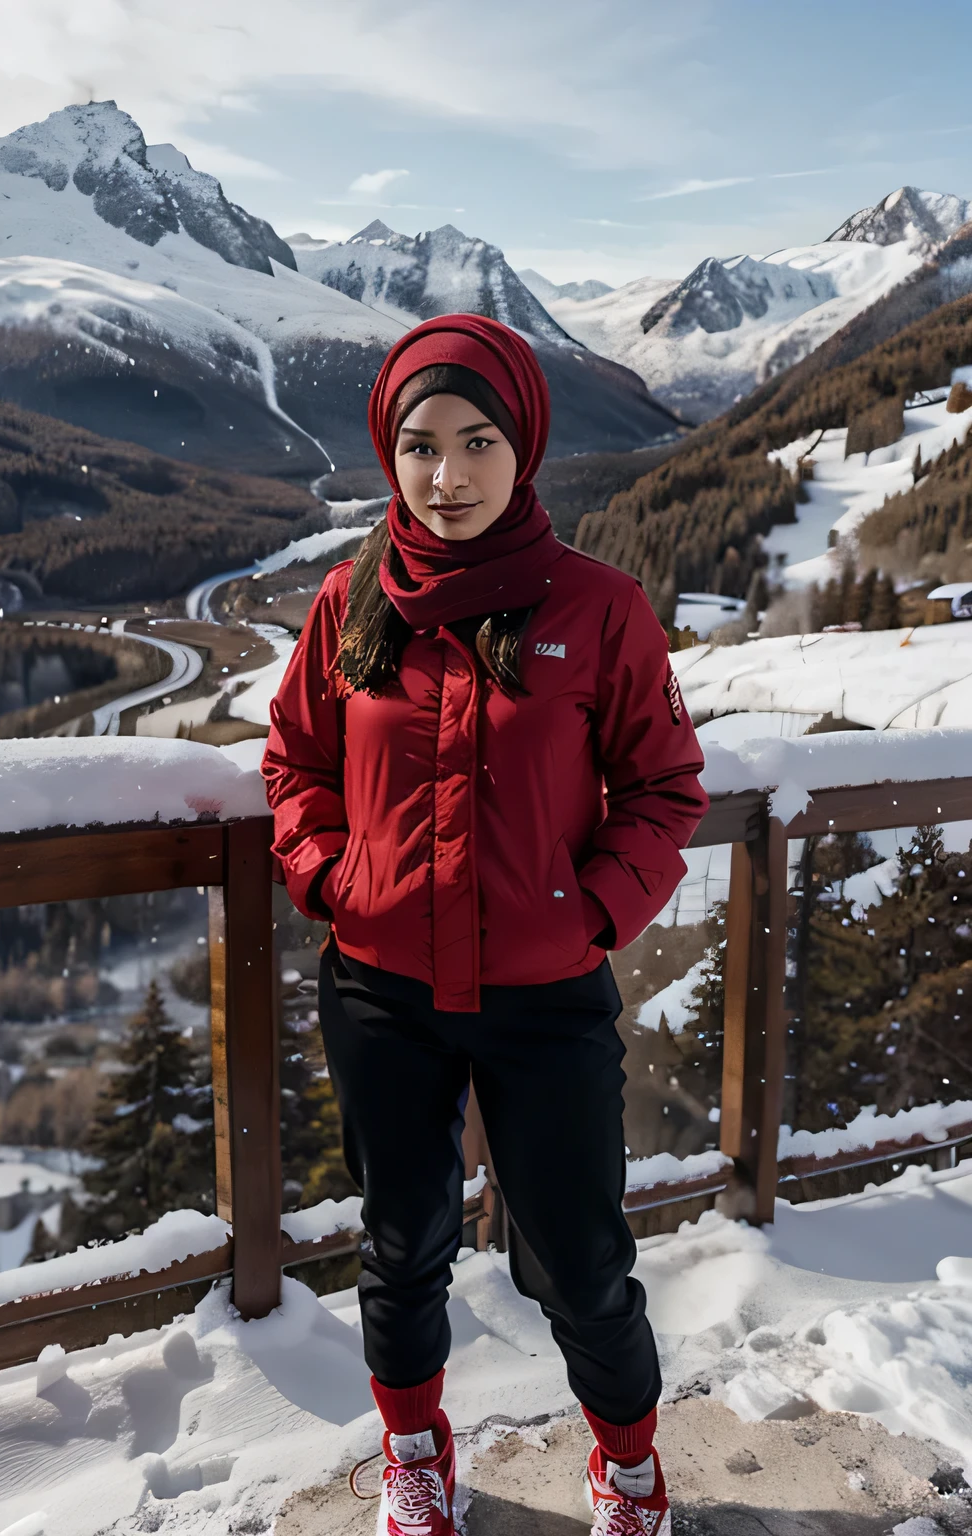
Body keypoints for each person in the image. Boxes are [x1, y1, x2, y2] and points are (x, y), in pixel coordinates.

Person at [262, 313, 709, 1536]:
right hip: (380, 989)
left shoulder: (599, 609)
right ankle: (416, 1455)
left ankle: (626, 1466)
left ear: (526, 448)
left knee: (575, 1256)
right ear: (385, 452)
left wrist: (594, 915)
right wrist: (329, 880)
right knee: (398, 1245)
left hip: (544, 997)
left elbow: (667, 787)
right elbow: (293, 762)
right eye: (417, 445)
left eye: (475, 442)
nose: (446, 477)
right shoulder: (351, 601)